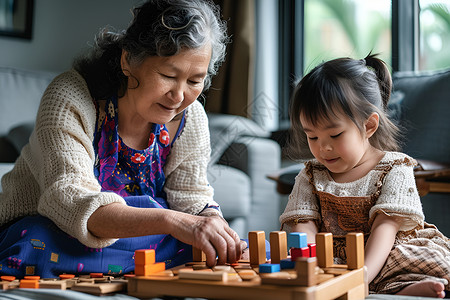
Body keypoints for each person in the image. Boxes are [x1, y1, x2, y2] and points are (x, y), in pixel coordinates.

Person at [0, 0, 244, 278]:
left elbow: (191, 196)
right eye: (168, 75)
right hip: (62, 229)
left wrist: (212, 224)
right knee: (35, 239)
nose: (179, 96)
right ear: (128, 60)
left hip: (141, 238)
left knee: (204, 244)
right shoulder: (69, 96)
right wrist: (173, 221)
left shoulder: (191, 116)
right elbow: (70, 201)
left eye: (194, 81)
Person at [280, 54, 450, 298]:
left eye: (335, 135)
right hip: (336, 259)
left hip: (385, 251)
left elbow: (385, 229)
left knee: (416, 259)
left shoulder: (394, 168)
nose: (323, 148)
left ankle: (405, 287)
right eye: (313, 137)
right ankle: (395, 288)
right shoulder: (311, 174)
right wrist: (315, 269)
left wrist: (360, 278)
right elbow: (304, 225)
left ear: (369, 126)